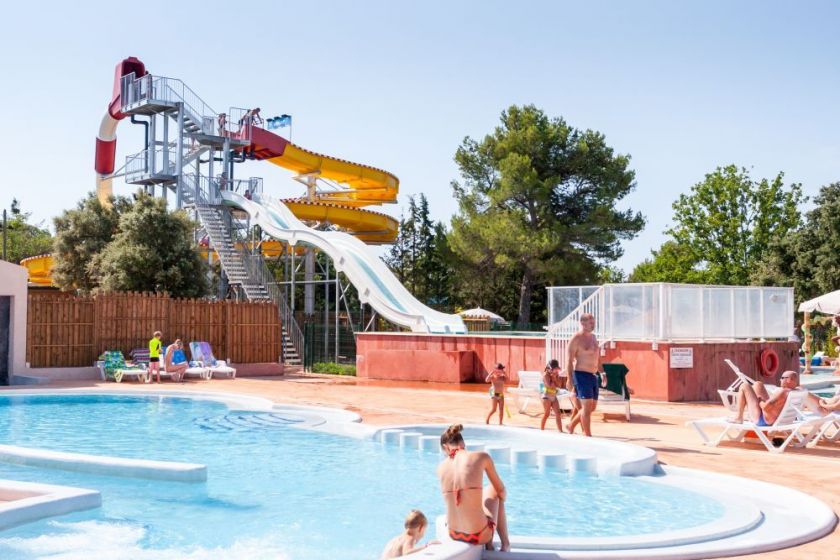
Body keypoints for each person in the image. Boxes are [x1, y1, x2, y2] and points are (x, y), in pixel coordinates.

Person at [437, 424, 510, 551]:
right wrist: (501, 499)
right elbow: (501, 491)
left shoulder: (440, 468)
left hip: (454, 533)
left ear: (445, 447)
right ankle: (505, 545)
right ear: (463, 443)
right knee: (494, 489)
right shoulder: (481, 457)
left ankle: (491, 545)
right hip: (479, 535)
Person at [566, 313, 602, 437]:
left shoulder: (594, 337)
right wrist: (569, 379)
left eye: (594, 322)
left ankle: (570, 425)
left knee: (592, 408)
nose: (593, 324)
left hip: (593, 376)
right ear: (582, 323)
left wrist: (602, 372)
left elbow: (597, 357)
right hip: (581, 375)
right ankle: (588, 436)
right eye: (590, 322)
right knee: (586, 408)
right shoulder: (576, 338)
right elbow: (569, 361)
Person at [730, 370, 799, 425]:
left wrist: (760, 401)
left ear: (789, 380)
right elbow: (772, 405)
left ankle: (739, 417)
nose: (780, 380)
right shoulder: (796, 391)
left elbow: (765, 407)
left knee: (744, 386)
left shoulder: (782, 392)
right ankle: (749, 414)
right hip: (773, 417)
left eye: (782, 378)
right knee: (758, 384)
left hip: (763, 420)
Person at [540, 362, 564, 432]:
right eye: (555, 369)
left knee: (558, 413)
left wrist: (555, 378)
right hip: (546, 397)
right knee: (547, 414)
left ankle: (560, 431)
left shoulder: (555, 375)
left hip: (553, 396)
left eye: (557, 369)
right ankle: (541, 430)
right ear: (549, 369)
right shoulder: (545, 375)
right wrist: (553, 379)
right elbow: (549, 386)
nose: (556, 371)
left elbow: (559, 385)